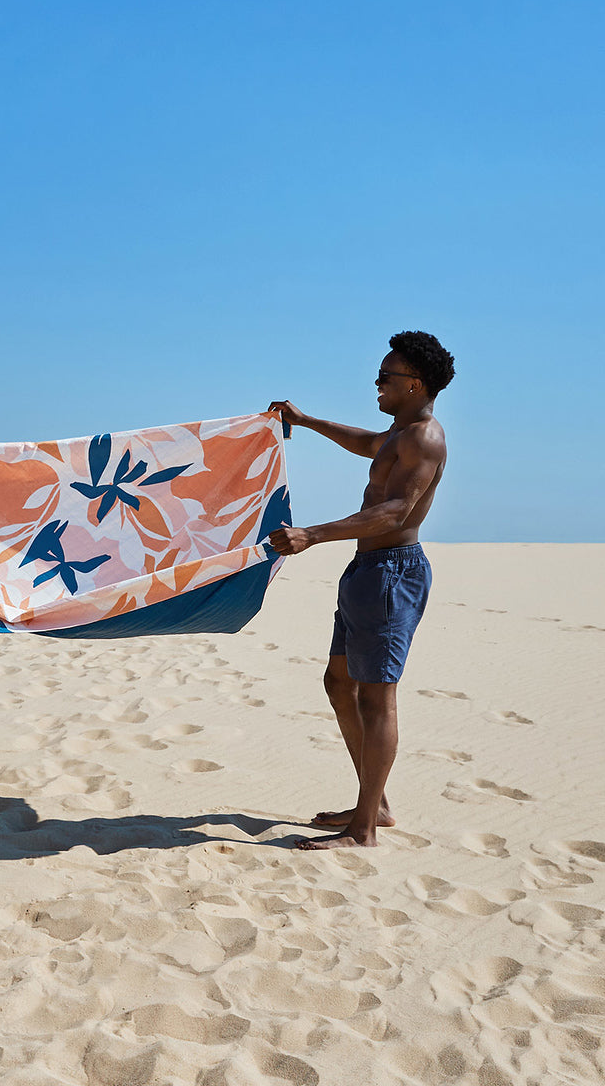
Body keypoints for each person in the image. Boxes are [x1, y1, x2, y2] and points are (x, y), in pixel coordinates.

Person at [268, 331, 454, 850]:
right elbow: (364, 444)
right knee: (338, 684)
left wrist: (313, 533)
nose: (376, 385)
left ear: (414, 384)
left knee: (378, 700)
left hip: (392, 574)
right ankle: (377, 803)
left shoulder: (425, 438)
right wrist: (304, 421)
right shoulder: (398, 434)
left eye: (385, 377)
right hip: (367, 572)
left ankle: (365, 829)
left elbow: (396, 510)